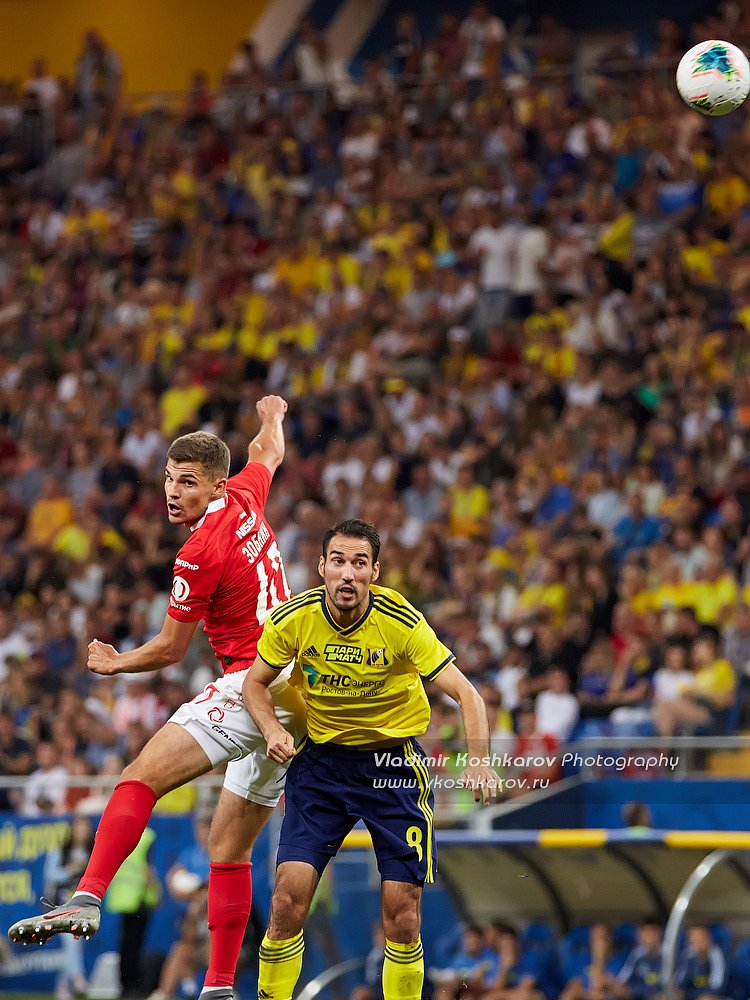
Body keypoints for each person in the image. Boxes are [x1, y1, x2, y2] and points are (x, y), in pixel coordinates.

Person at [9, 396, 305, 1000]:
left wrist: (117, 662)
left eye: (187, 482)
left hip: (258, 683)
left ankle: (87, 897)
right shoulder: (246, 494)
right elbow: (267, 450)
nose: (173, 492)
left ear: (213, 483)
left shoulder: (198, 552)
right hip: (298, 688)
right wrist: (272, 414)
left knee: (138, 778)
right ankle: (220, 987)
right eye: (169, 479)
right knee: (229, 847)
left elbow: (171, 650)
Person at [243, 518, 499, 1000]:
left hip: (392, 769)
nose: (347, 573)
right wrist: (273, 728)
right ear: (321, 567)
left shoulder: (401, 623)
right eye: (338, 561)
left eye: (359, 563)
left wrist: (480, 760)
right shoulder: (292, 619)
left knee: (402, 913)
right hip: (320, 767)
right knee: (285, 901)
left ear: (374, 572)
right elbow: (254, 683)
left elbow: (467, 695)